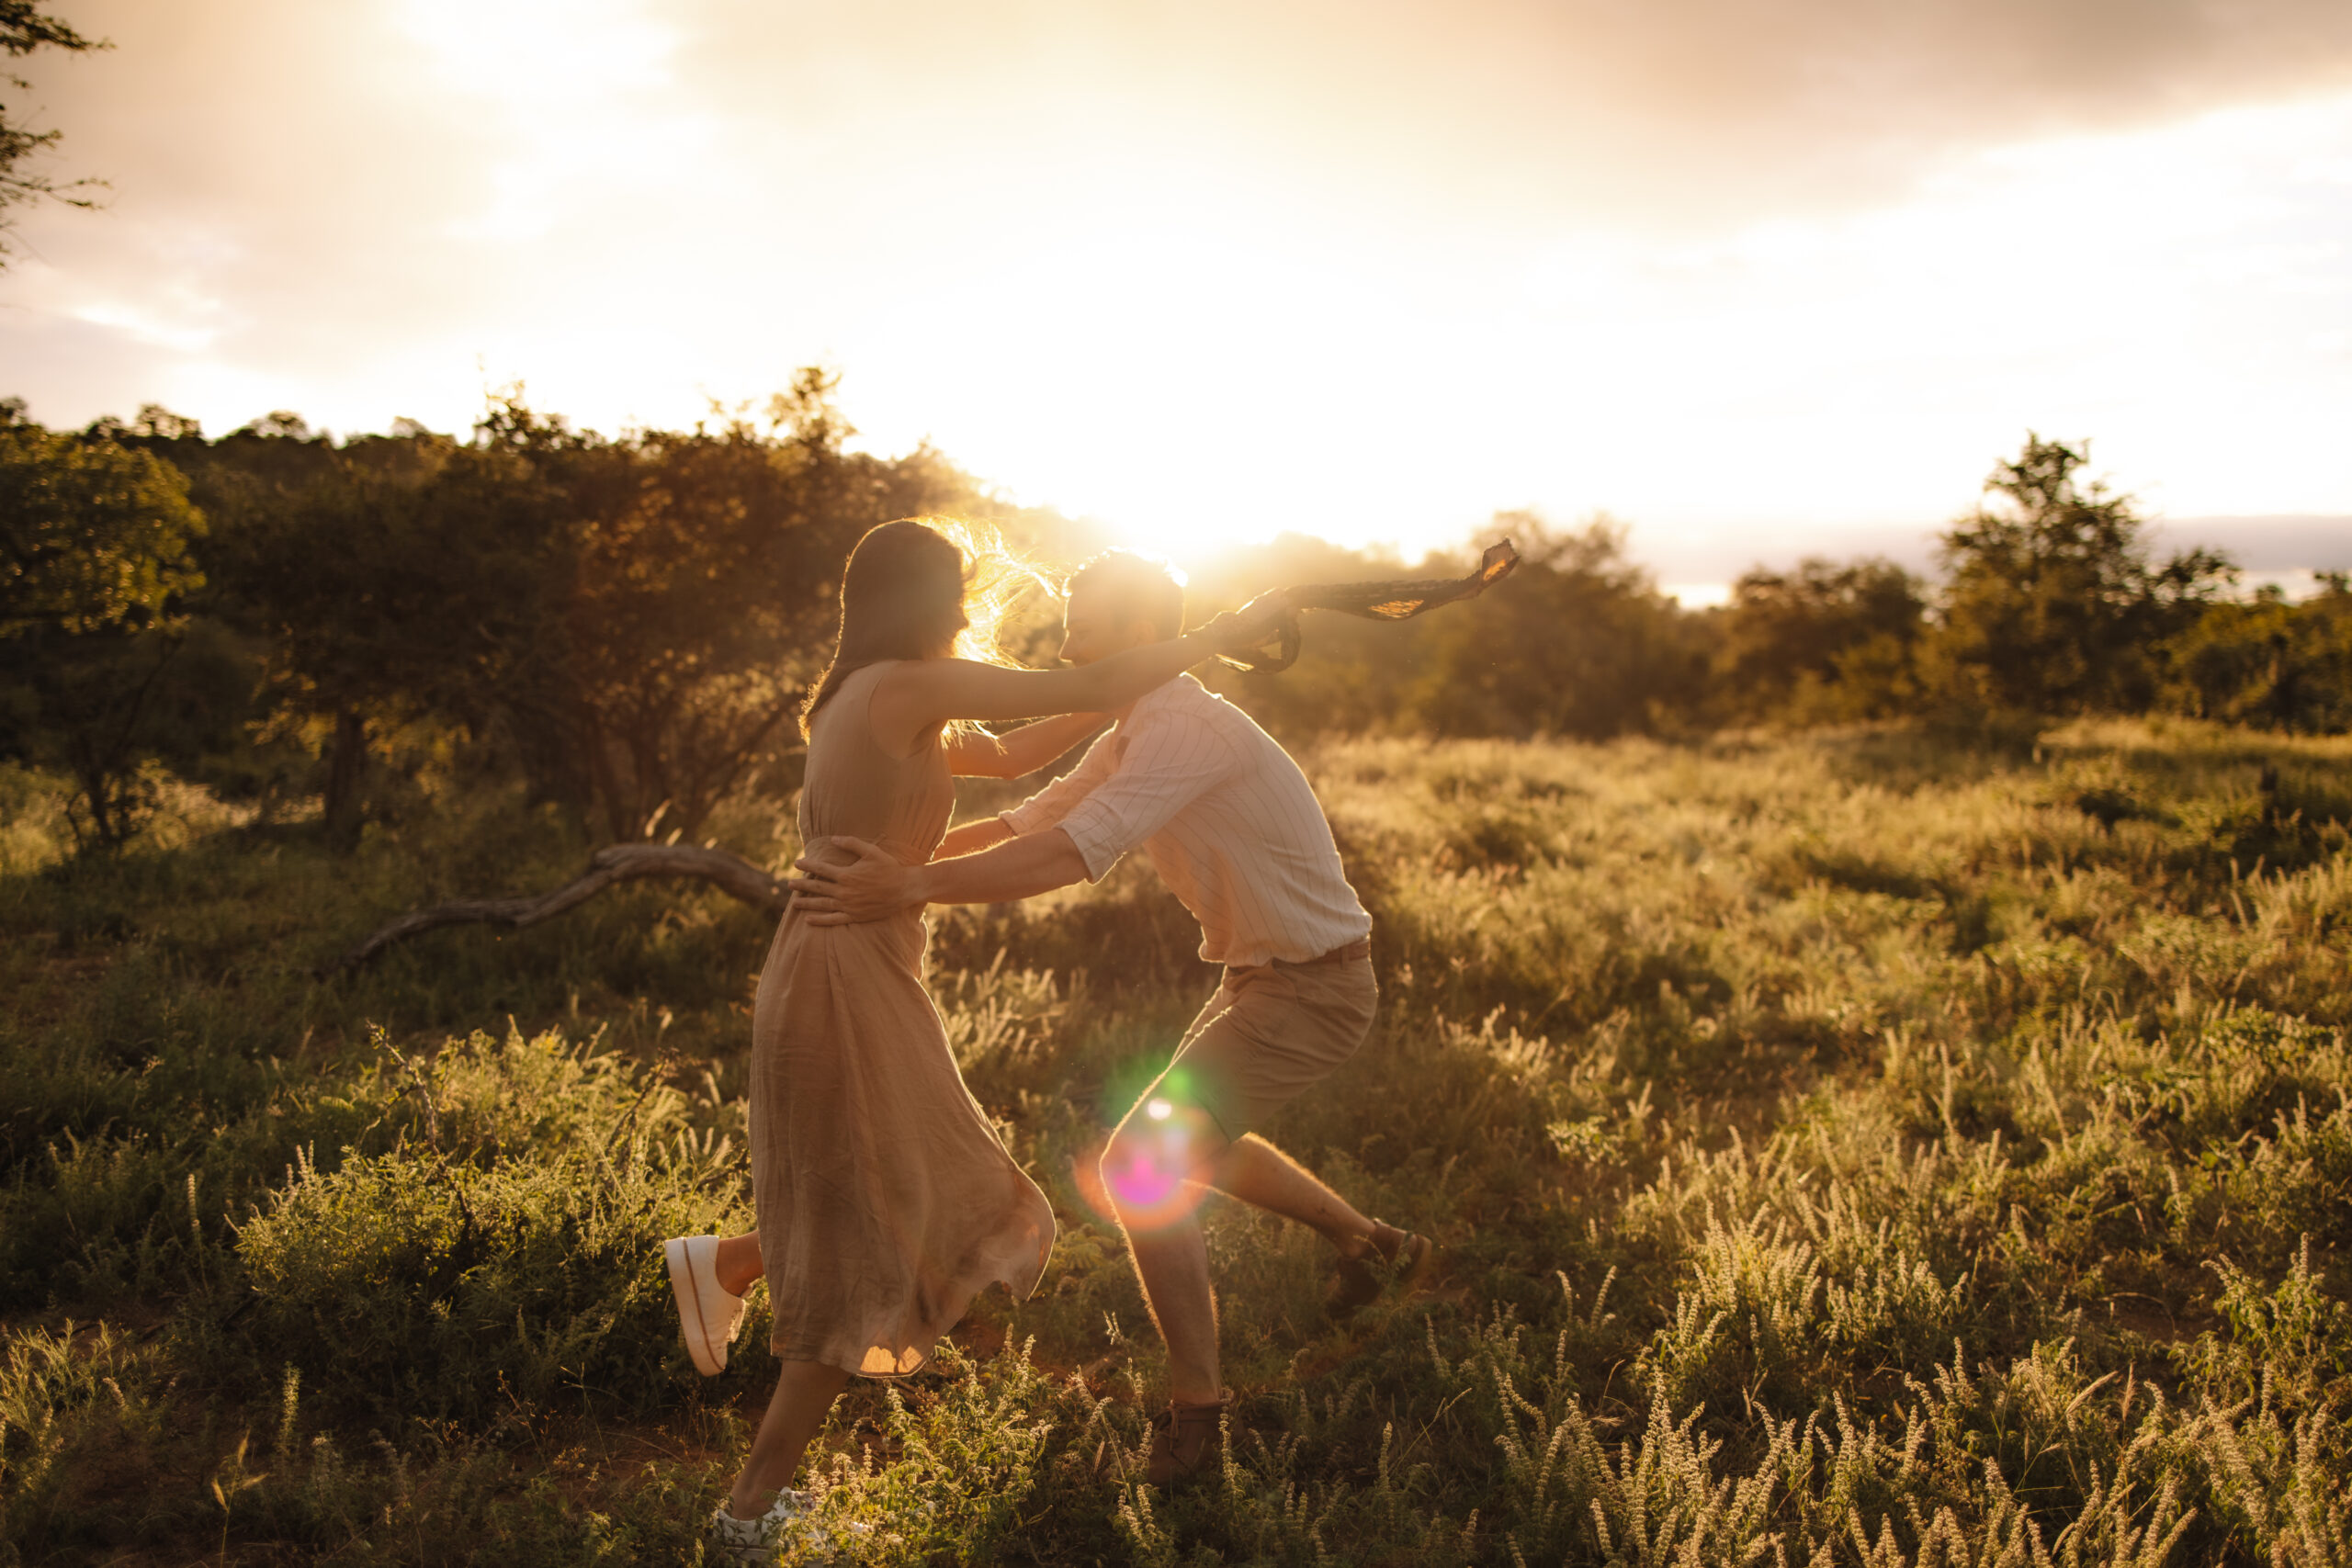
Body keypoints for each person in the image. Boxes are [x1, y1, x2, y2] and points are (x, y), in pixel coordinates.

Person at [662, 521, 1279, 1564]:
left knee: (889, 1201)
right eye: (956, 587)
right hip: (841, 974)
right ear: (925, 599)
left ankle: (726, 1272)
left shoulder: (877, 692)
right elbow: (1083, 686)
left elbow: (1014, 749)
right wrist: (1226, 630)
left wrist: (1119, 692)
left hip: (846, 966)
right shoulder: (902, 684)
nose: (967, 603)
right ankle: (745, 1513)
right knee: (885, 1224)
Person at [788, 549, 1433, 1490]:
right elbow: (1028, 819)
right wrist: (872, 869)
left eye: (1083, 624)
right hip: (1262, 981)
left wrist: (910, 884)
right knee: (1190, 1141)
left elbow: (1072, 850)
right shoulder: (1140, 722)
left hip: (1314, 990)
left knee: (1142, 1168)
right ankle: (1376, 1247)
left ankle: (1198, 1418)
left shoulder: (1184, 730)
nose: (1067, 643)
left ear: (1140, 631)